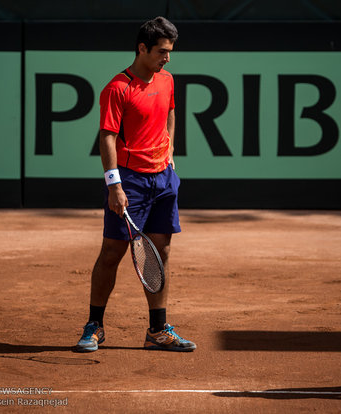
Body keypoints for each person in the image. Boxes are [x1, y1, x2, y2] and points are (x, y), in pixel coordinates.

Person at [76, 17, 195, 353]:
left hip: (164, 180)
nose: (167, 58)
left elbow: (170, 113)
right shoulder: (117, 88)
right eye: (161, 51)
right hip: (130, 181)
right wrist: (114, 186)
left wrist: (170, 150)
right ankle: (94, 326)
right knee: (112, 252)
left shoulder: (167, 80)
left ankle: (157, 330)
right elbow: (107, 137)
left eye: (170, 51)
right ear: (142, 48)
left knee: (161, 253)